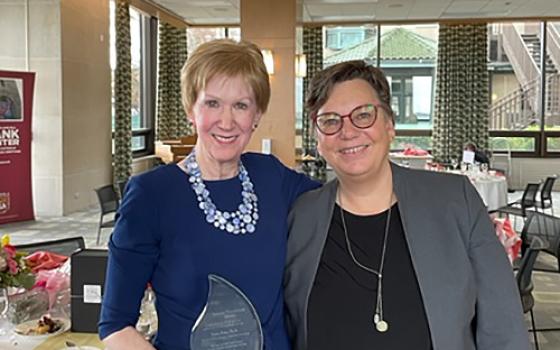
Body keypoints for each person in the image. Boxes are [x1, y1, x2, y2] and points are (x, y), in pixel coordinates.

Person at [284, 60, 530, 350]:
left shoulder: (454, 201)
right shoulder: (301, 215)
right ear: (318, 139)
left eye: (363, 115)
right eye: (330, 120)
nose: (347, 131)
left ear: (390, 126)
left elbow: (504, 329)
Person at [99, 39, 319, 350]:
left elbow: (345, 199)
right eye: (212, 103)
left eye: (241, 105)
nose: (226, 122)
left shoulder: (272, 176)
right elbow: (115, 325)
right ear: (191, 109)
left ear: (257, 114)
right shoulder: (152, 195)